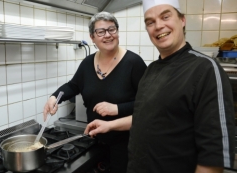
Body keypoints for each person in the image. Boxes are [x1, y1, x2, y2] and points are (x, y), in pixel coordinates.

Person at [84, 0, 235, 172]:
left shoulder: (205, 69)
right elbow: (145, 118)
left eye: (165, 17)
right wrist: (109, 125)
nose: (158, 26)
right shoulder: (151, 71)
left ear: (182, 20)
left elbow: (213, 157)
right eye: (150, 22)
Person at [43, 11, 147, 173]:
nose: (108, 35)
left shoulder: (134, 63)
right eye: (101, 31)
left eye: (112, 29)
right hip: (94, 139)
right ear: (92, 37)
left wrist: (117, 109)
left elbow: (148, 104)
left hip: (127, 144)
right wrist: (54, 97)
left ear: (117, 32)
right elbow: (73, 86)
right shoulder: (87, 63)